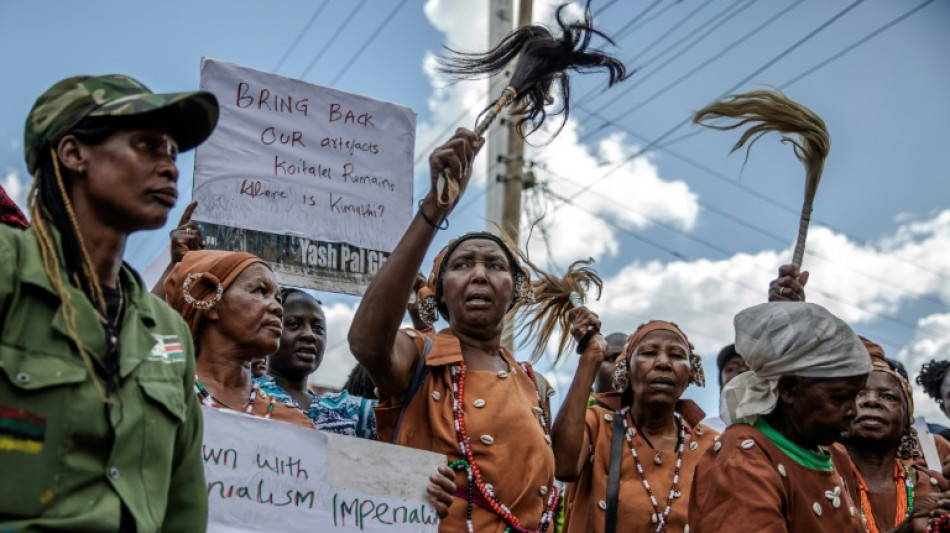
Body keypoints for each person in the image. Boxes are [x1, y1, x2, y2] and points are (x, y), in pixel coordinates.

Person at [0, 74, 217, 530]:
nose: (170, 166)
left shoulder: (168, 332)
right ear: (74, 153)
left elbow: (184, 505)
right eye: (146, 145)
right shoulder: (8, 269)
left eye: (174, 153)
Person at [349, 129, 567, 533]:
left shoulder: (534, 385)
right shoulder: (420, 357)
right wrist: (433, 209)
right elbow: (365, 341)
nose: (480, 274)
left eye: (495, 266)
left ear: (514, 291)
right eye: (463, 264)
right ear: (441, 293)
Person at [688, 302, 871, 532]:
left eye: (856, 396)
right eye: (840, 397)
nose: (854, 410)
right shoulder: (742, 459)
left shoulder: (835, 454)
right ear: (788, 388)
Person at [553, 319, 716, 533]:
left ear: (690, 375)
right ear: (627, 370)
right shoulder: (598, 427)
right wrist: (590, 358)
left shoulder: (711, 446)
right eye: (649, 353)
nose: (663, 363)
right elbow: (562, 465)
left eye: (676, 355)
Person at [164, 249, 315, 427]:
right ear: (211, 304)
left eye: (278, 299)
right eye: (260, 291)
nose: (278, 308)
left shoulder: (296, 424)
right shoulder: (156, 397)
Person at [835, 337, 950, 533]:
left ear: (907, 422)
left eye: (888, 397)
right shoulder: (818, 476)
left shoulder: (934, 487)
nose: (871, 401)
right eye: (858, 394)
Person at [256, 288, 377, 439]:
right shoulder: (246, 392)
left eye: (318, 328)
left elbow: (402, 417)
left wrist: (415, 316)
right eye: (294, 324)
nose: (309, 334)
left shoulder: (347, 410)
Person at [701, 344, 750, 433]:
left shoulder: (776, 428)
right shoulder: (704, 429)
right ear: (721, 386)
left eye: (749, 367)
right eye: (731, 369)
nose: (742, 370)